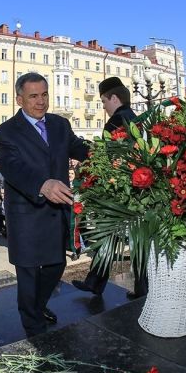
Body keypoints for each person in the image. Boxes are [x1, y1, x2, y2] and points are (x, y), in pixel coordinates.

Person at [0, 72, 88, 337]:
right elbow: (12, 167)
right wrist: (42, 185)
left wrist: (107, 152)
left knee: (57, 265)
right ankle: (34, 330)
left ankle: (37, 306)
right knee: (28, 274)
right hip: (26, 214)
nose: (41, 101)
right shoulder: (6, 132)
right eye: (33, 96)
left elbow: (78, 148)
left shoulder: (59, 124)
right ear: (19, 99)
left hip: (56, 211)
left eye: (44, 94)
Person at [71, 76, 148, 300]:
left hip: (120, 189)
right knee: (137, 239)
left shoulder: (117, 121)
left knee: (109, 234)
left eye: (104, 101)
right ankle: (136, 288)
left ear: (114, 98)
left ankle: (96, 282)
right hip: (138, 187)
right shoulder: (136, 118)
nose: (103, 107)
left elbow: (107, 155)